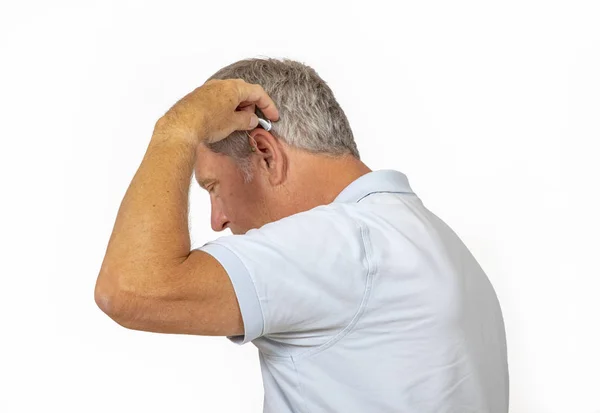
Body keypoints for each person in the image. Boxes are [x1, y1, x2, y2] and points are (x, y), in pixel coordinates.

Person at [95, 57, 509, 413]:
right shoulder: (435, 243)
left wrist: (176, 128)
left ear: (266, 153)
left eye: (212, 187)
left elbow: (130, 289)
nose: (217, 220)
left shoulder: (343, 244)